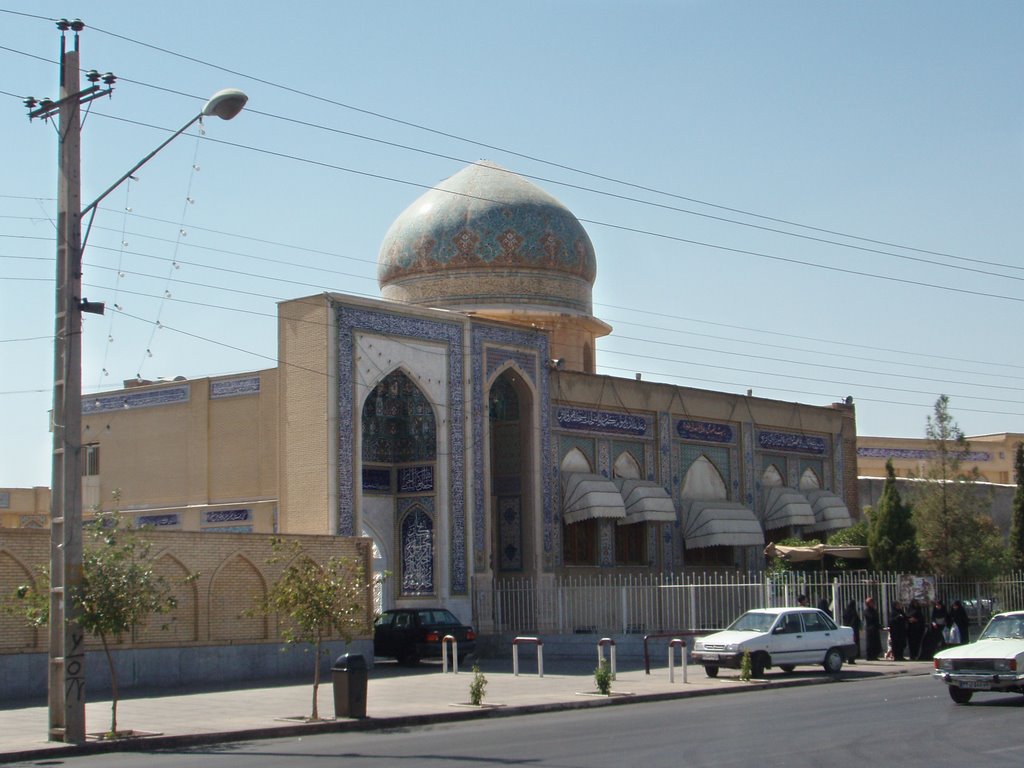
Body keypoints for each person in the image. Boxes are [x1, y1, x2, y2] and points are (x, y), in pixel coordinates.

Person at [863, 596, 882, 661]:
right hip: (870, 629)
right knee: (870, 644)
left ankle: (874, 656)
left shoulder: (874, 610)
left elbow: (876, 619)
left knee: (876, 644)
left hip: (875, 629)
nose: (872, 603)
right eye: (871, 602)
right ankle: (869, 656)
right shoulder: (866, 611)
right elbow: (871, 618)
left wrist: (880, 626)